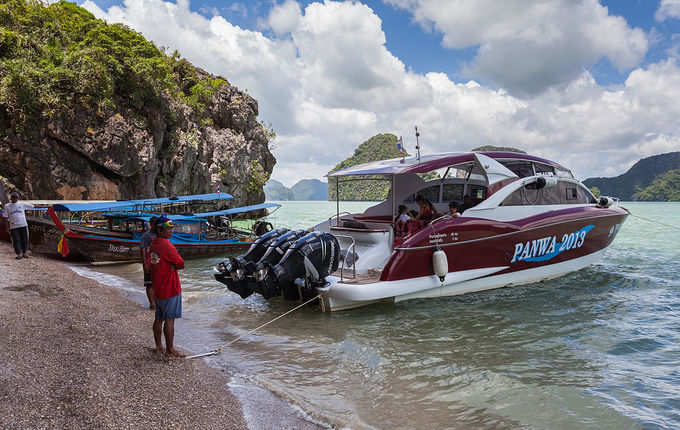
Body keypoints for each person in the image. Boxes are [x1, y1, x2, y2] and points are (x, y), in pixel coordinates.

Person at [150, 218, 185, 357]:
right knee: (169, 320)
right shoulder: (166, 245)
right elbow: (181, 263)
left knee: (159, 318)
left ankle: (159, 346)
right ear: (160, 230)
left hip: (158, 287)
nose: (171, 231)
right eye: (168, 228)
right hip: (170, 287)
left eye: (171, 228)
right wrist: (173, 265)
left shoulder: (154, 244)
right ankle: (170, 350)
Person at [2, 192, 34, 259]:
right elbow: (5, 217)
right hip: (13, 226)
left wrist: (46, 207)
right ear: (11, 198)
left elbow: (32, 206)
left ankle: (25, 252)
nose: (14, 199)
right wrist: (7, 227)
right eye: (13, 198)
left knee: (25, 239)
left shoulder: (22, 204)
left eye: (16, 198)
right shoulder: (7, 206)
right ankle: (19, 253)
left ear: (18, 198)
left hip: (23, 225)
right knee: (16, 240)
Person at [140, 216, 159, 310]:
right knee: (149, 284)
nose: (155, 226)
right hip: (149, 261)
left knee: (157, 283)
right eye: (154, 224)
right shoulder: (146, 235)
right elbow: (143, 249)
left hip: (158, 263)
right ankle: (152, 303)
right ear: (151, 224)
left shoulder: (160, 234)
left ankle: (156, 302)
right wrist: (145, 264)